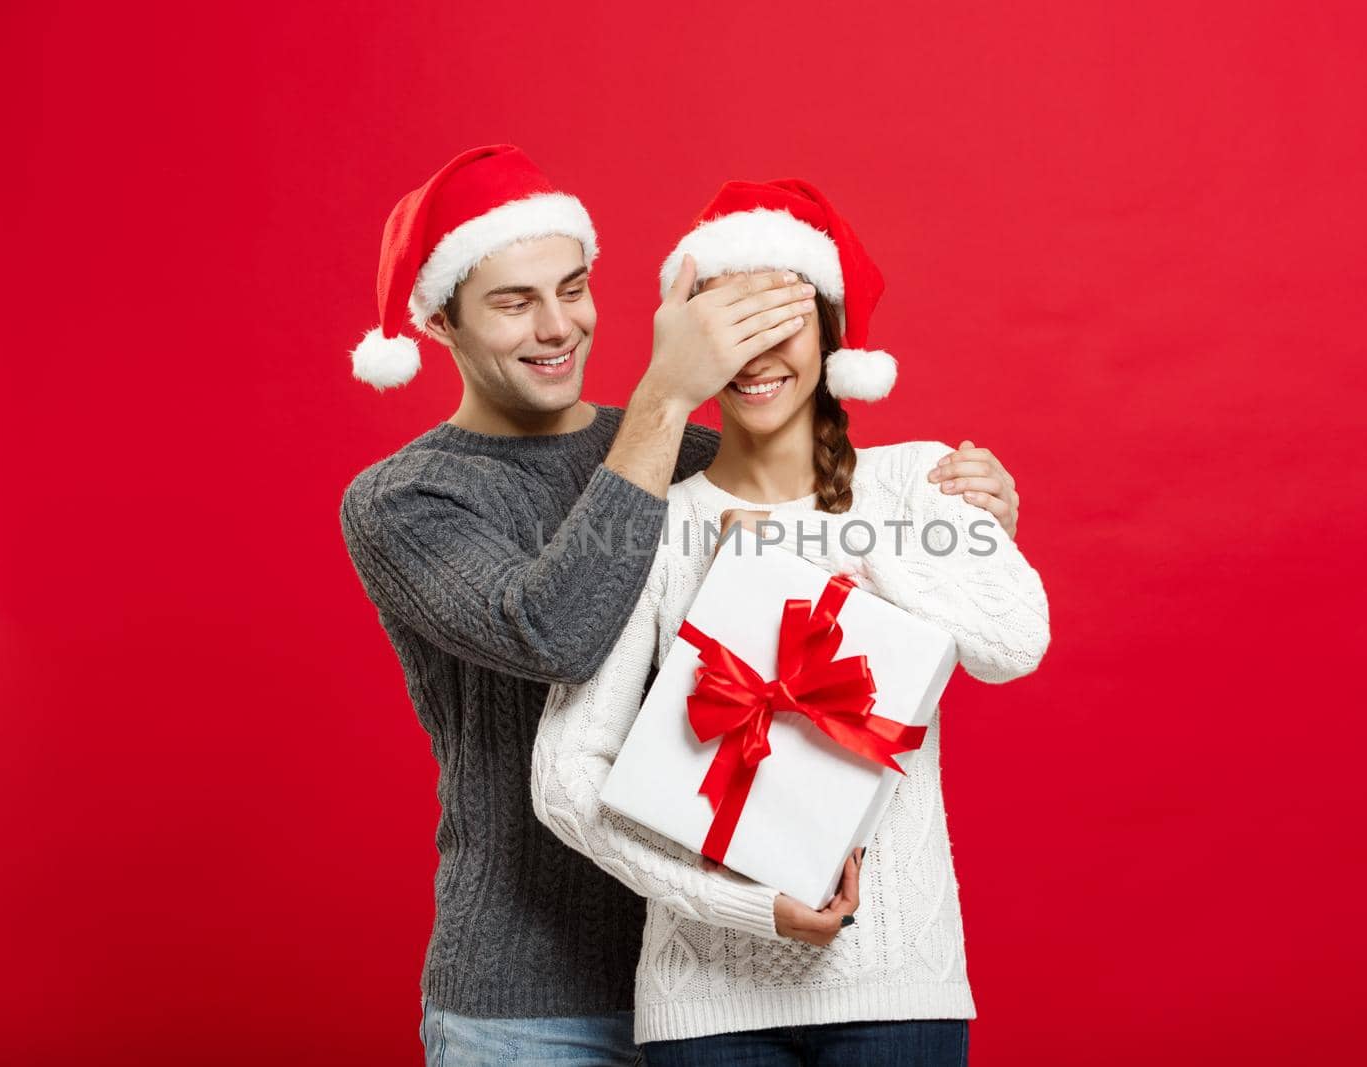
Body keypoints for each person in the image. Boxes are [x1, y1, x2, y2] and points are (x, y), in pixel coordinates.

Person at [338, 147, 1028, 1065]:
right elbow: (555, 633)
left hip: (714, 972)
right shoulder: (406, 498)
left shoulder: (691, 458)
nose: (557, 327)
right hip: (535, 1000)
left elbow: (813, 494)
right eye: (513, 301)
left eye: (574, 289)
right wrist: (665, 395)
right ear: (439, 322)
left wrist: (967, 514)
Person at [530, 178, 1052, 1065]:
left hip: (899, 989)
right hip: (704, 1009)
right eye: (728, 324)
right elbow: (564, 780)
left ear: (832, 335)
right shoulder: (649, 521)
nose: (757, 352)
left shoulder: (916, 481)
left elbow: (1015, 641)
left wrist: (807, 554)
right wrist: (748, 907)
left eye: (783, 318)